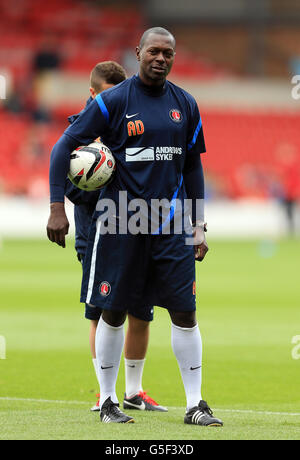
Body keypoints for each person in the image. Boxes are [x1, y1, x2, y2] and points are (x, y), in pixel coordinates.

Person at [47, 27, 223, 427]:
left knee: (185, 312)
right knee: (112, 311)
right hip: (120, 220)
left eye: (168, 53)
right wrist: (57, 206)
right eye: (153, 51)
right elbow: (63, 146)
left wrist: (198, 224)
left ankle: (195, 404)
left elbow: (193, 165)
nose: (160, 58)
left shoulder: (187, 105)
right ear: (138, 52)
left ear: (173, 57)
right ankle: (108, 401)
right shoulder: (113, 101)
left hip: (172, 222)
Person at [57, 61, 167, 413]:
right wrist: (100, 181)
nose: (116, 102)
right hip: (96, 230)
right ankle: (104, 394)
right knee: (102, 311)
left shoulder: (132, 124)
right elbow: (74, 187)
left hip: (136, 227)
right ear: (93, 93)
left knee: (142, 311)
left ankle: (134, 391)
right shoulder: (81, 130)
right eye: (108, 95)